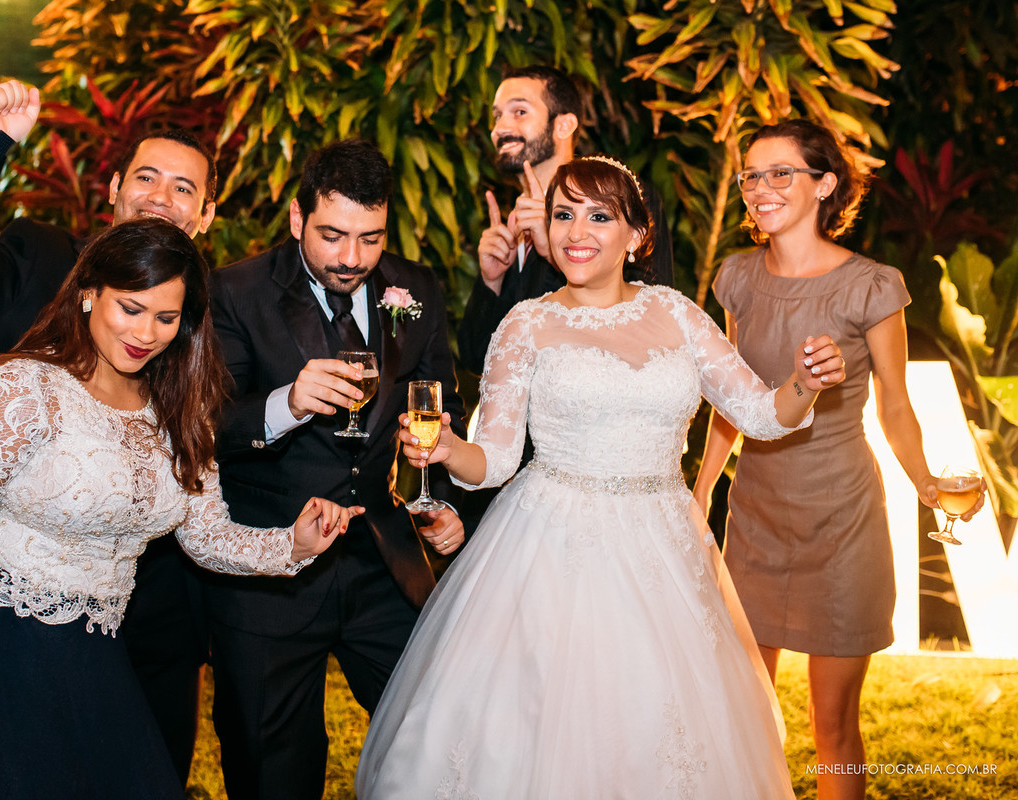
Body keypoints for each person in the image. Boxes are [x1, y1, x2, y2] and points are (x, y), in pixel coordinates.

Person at [357, 156, 848, 798]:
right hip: (550, 546)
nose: (575, 231)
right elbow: (496, 460)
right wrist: (450, 448)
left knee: (663, 724)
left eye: (598, 215)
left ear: (636, 236)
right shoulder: (525, 325)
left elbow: (760, 414)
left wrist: (805, 386)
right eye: (563, 214)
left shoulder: (677, 313)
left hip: (663, 545)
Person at [0, 219, 361, 800]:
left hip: (98, 655)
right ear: (89, 290)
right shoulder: (20, 390)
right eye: (131, 309)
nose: (147, 333)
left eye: (167, 318)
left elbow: (207, 537)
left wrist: (293, 543)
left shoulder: (178, 413)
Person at [0, 79, 216, 783]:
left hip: (154, 606)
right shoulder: (39, 257)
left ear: (206, 215)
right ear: (113, 188)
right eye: (148, 177)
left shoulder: (196, 315)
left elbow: (215, 433)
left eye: (184, 187)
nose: (162, 196)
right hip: (20, 611)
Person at [690, 119, 976, 800]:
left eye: (780, 173)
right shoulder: (736, 279)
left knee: (834, 727)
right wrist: (699, 492)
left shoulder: (872, 285)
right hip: (757, 523)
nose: (761, 188)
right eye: (751, 175)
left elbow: (896, 407)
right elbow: (731, 401)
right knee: (744, 716)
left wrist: (927, 482)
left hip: (844, 524)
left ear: (824, 185)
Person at [204, 139, 467, 800]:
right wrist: (284, 404)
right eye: (332, 235)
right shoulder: (234, 292)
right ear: (297, 220)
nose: (351, 258)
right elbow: (202, 425)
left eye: (370, 239)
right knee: (271, 768)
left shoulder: (416, 290)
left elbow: (443, 411)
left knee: (438, 742)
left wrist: (437, 496)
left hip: (385, 568)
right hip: (272, 569)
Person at [457, 65, 675, 375]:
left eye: (519, 112)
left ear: (564, 125)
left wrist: (555, 253)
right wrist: (491, 282)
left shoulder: (625, 200)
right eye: (497, 116)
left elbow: (653, 322)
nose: (500, 128)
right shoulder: (511, 223)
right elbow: (477, 359)